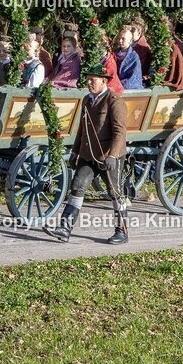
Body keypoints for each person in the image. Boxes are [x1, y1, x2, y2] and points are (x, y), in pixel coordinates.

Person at [44, 62, 129, 245]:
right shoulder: (86, 100)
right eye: (88, 79)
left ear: (104, 81)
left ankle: (121, 231)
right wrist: (75, 152)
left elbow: (120, 132)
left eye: (93, 79)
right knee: (77, 186)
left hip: (109, 156)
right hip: (88, 154)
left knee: (115, 193)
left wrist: (113, 156)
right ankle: (64, 229)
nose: (89, 82)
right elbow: (82, 129)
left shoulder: (115, 101)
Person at [113, 25, 143, 89]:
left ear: (130, 41)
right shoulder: (114, 53)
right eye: (119, 38)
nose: (120, 41)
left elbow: (134, 78)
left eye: (123, 39)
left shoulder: (134, 57)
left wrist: (120, 86)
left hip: (127, 89)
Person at [162, 20, 183, 91]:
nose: (167, 28)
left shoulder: (178, 44)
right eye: (165, 26)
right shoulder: (159, 41)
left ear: (174, 27)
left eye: (169, 26)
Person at [129, 16, 151, 83]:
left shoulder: (143, 47)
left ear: (139, 32)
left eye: (132, 31)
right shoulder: (130, 44)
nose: (129, 33)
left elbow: (138, 69)